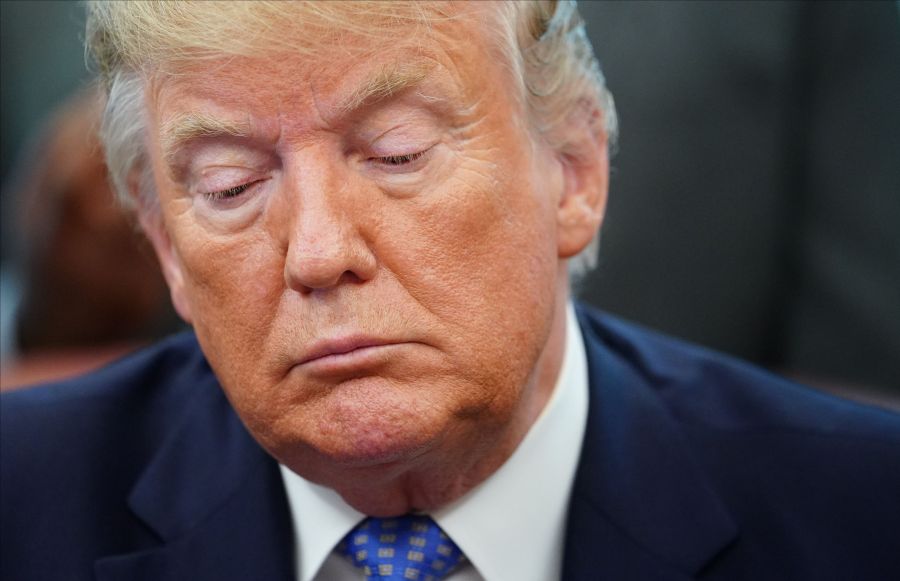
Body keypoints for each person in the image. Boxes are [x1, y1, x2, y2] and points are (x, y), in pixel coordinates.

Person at [1, 2, 898, 580]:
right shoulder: (22, 504)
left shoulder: (862, 511)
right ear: (165, 246)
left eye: (395, 153)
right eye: (232, 186)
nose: (317, 252)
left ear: (575, 173)